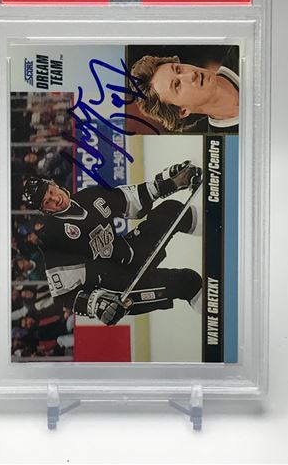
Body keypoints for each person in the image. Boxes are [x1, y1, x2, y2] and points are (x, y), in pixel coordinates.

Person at [18, 161, 203, 326]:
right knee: (187, 281)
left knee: (171, 211)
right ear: (45, 210)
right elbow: (65, 296)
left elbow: (130, 199)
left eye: (51, 192)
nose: (55, 199)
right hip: (121, 287)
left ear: (54, 184)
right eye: (48, 201)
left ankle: (214, 226)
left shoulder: (89, 197)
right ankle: (214, 314)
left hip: (132, 252)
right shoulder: (53, 239)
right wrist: (96, 305)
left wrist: (169, 183)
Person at [130, 54, 239, 132]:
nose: (191, 75)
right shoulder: (224, 142)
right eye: (177, 85)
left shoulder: (240, 52)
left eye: (178, 69)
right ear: (182, 111)